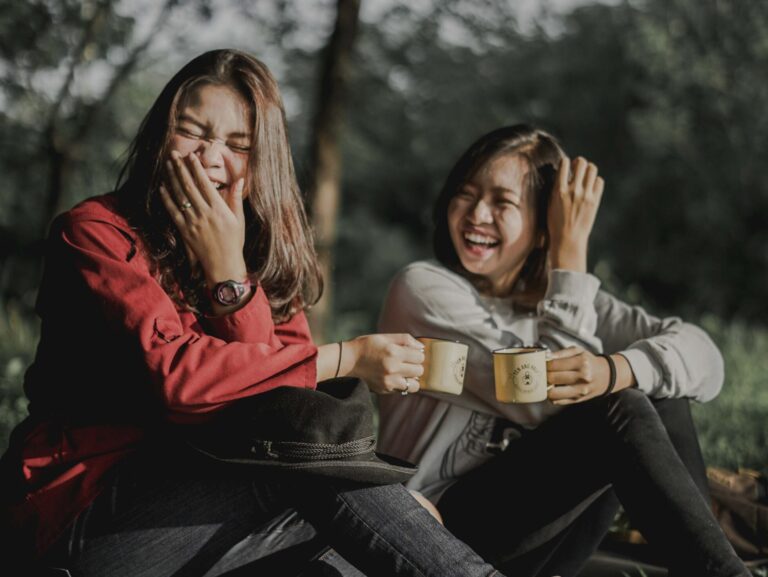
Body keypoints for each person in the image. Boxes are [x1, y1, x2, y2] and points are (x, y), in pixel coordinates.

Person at [0, 49, 505, 577]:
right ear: (159, 136)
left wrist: (229, 273)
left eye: (238, 144)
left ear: (262, 160)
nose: (208, 157)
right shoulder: (96, 234)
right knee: (311, 471)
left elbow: (283, 402)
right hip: (80, 520)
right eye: (192, 131)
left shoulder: (257, 257)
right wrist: (347, 357)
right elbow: (180, 380)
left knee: (358, 549)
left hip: (203, 517)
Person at [377, 125, 750, 577]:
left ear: (541, 224)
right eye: (466, 193)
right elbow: (542, 395)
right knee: (619, 405)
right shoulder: (423, 289)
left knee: (653, 386)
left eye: (502, 202)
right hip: (435, 529)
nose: (476, 213)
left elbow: (705, 360)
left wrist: (617, 367)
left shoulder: (569, 303)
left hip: (542, 544)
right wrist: (569, 251)